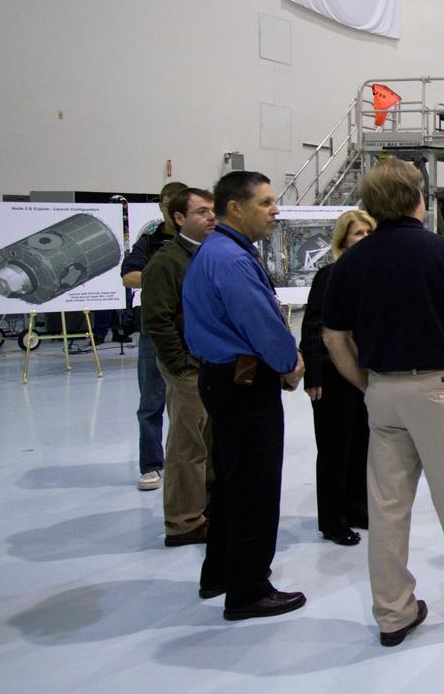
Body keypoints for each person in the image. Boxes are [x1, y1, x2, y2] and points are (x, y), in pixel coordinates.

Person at [321, 158, 444, 647]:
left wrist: (367, 384)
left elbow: (333, 336)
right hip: (440, 390)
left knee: (387, 509)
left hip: (383, 394)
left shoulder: (350, 264)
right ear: (419, 200)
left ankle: (393, 613)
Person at [182, 171, 307, 621]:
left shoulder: (218, 252)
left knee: (233, 482)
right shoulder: (231, 261)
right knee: (253, 486)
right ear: (235, 208)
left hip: (224, 380)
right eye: (266, 202)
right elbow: (261, 324)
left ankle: (219, 572)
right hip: (243, 386)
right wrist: (289, 364)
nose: (276, 210)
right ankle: (249, 589)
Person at [141, 187, 216, 547]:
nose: (210, 217)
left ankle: (206, 508)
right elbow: (156, 320)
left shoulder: (210, 255)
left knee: (210, 441)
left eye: (212, 211)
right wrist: (181, 366)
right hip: (188, 368)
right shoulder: (167, 261)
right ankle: (183, 522)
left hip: (211, 364)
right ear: (179, 218)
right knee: (188, 446)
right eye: (201, 212)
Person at [300, 210, 376, 546]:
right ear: (343, 239)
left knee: (361, 443)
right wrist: (313, 372)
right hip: (332, 374)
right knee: (334, 449)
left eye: (368, 232)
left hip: (364, 373)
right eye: (358, 233)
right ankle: (332, 519)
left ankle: (357, 507)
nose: (364, 239)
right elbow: (314, 326)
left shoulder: (374, 276)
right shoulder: (330, 276)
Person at [120, 179, 187, 491]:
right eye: (165, 205)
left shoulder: (198, 240)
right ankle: (151, 465)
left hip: (191, 330)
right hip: (154, 332)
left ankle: (188, 461)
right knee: (151, 401)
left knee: (191, 401)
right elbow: (128, 276)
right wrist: (163, 275)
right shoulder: (149, 239)